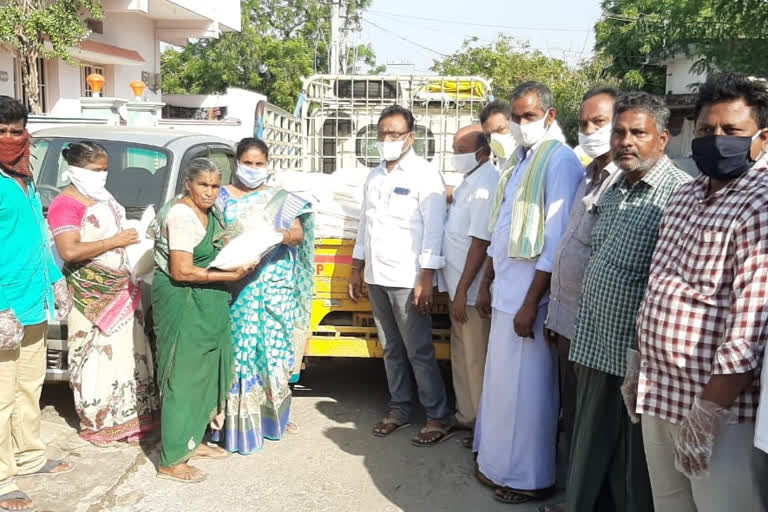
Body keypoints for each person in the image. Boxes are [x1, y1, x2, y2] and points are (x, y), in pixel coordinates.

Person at [633, 74, 768, 512]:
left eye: (732, 132)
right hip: (660, 393)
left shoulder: (759, 205)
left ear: (761, 139)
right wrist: (639, 359)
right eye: (708, 130)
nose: (716, 140)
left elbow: (750, 326)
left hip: (718, 410)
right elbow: (659, 283)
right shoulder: (685, 196)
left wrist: (708, 412)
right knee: (669, 505)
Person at [566, 91, 690, 512]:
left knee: (634, 469)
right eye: (619, 131)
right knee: (590, 454)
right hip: (597, 345)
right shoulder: (616, 187)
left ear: (662, 138)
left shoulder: (678, 195)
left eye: (638, 132)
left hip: (638, 358)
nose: (625, 141)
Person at [473, 82, 584, 505]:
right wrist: (488, 282)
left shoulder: (559, 161)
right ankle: (498, 463)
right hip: (507, 293)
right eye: (516, 118)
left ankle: (529, 478)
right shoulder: (519, 160)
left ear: (550, 116)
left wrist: (528, 304)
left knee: (530, 393)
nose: (520, 125)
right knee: (503, 388)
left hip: (530, 302)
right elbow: (501, 228)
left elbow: (556, 240)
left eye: (529, 117)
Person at [348, 104, 451, 446]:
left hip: (409, 278)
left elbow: (434, 230)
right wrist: (357, 267)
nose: (387, 140)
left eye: (394, 134)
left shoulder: (424, 175)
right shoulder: (374, 176)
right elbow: (365, 224)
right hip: (377, 275)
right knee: (391, 348)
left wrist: (426, 277)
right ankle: (400, 409)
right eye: (382, 134)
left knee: (418, 349)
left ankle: (437, 415)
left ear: (410, 137)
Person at [539, 88, 620, 512]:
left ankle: (587, 500)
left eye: (599, 123)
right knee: (573, 415)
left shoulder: (624, 184)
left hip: (600, 327)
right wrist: (555, 313)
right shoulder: (587, 175)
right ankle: (575, 495)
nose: (590, 131)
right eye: (584, 124)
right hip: (568, 319)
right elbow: (568, 247)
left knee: (596, 423)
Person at [149, 158, 254, 483]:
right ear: (188, 184)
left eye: (215, 186)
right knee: (184, 377)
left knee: (204, 375)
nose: (209, 193)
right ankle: (172, 458)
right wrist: (229, 274)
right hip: (185, 302)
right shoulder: (181, 215)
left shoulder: (210, 213)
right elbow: (182, 270)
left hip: (207, 301)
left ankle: (192, 441)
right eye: (203, 185)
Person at [47, 141, 159, 447]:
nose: (102, 175)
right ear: (74, 170)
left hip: (122, 288)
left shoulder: (103, 196)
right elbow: (69, 250)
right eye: (95, 170)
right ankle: (98, 423)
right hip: (90, 293)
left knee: (127, 354)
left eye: (105, 169)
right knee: (95, 357)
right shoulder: (65, 204)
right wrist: (115, 241)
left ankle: (129, 419)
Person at [214, 138, 314, 454]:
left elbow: (297, 234)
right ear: (236, 162)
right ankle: (236, 424)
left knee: (273, 352)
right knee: (239, 354)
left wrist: (271, 236)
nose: (253, 169)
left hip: (274, 289)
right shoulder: (220, 198)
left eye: (259, 164)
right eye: (248, 163)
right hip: (237, 288)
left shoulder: (279, 199)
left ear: (267, 165)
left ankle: (273, 418)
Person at [0, 96, 74, 512]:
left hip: (32, 301)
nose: (11, 139)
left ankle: (28, 455)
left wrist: (54, 278)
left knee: (31, 385)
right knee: (1, 395)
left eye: (17, 131)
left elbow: (36, 236)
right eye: (2, 132)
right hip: (5, 305)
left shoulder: (23, 177)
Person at [438, 124, 499, 447]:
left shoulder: (486, 184)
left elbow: (480, 244)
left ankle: (481, 427)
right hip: (458, 286)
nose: (455, 156)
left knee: (475, 356)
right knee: (462, 354)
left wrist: (463, 291)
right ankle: (466, 415)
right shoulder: (469, 181)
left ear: (481, 152)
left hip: (472, 292)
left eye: (459, 151)